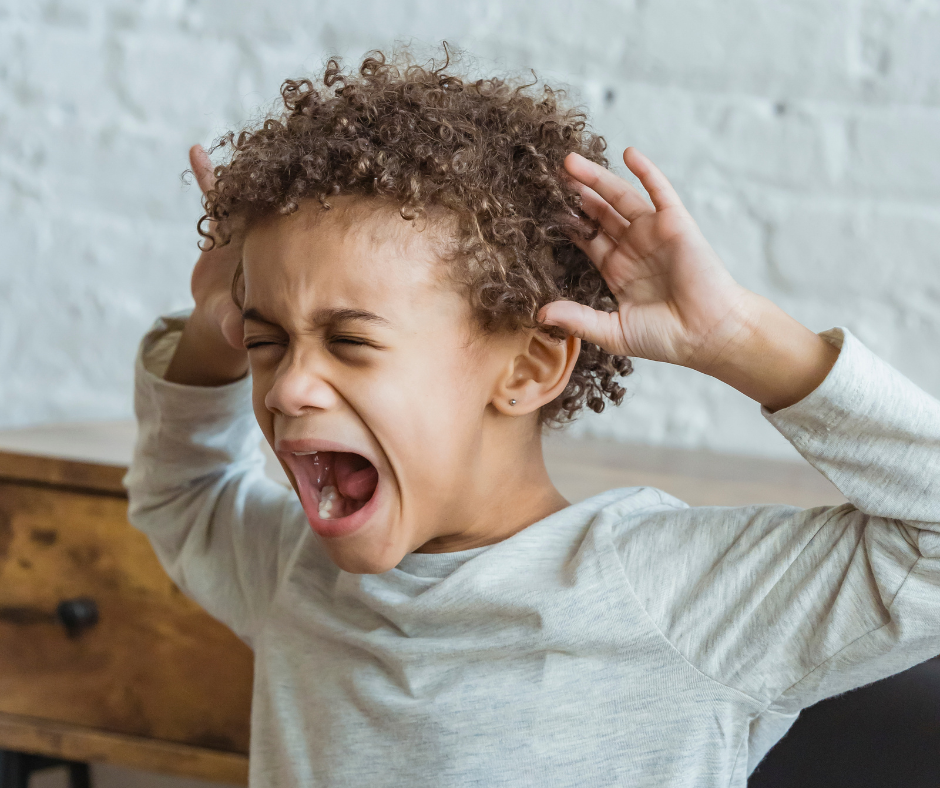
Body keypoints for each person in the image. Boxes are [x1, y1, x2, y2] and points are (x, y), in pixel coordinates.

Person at [124, 50, 940, 787]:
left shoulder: (670, 597)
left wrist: (737, 340)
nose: (288, 386)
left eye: (350, 341)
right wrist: (211, 327)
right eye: (265, 339)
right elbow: (182, 493)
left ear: (528, 367)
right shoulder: (293, 576)